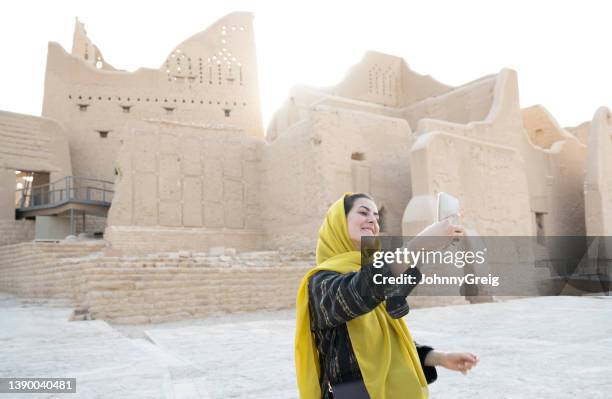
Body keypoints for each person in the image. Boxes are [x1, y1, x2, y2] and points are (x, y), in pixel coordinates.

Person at [295, 192, 479, 398]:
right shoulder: (320, 282)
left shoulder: (375, 274)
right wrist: (418, 244)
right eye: (363, 213)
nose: (372, 220)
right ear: (337, 222)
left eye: (376, 216)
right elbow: (360, 291)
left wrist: (440, 358)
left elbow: (389, 344)